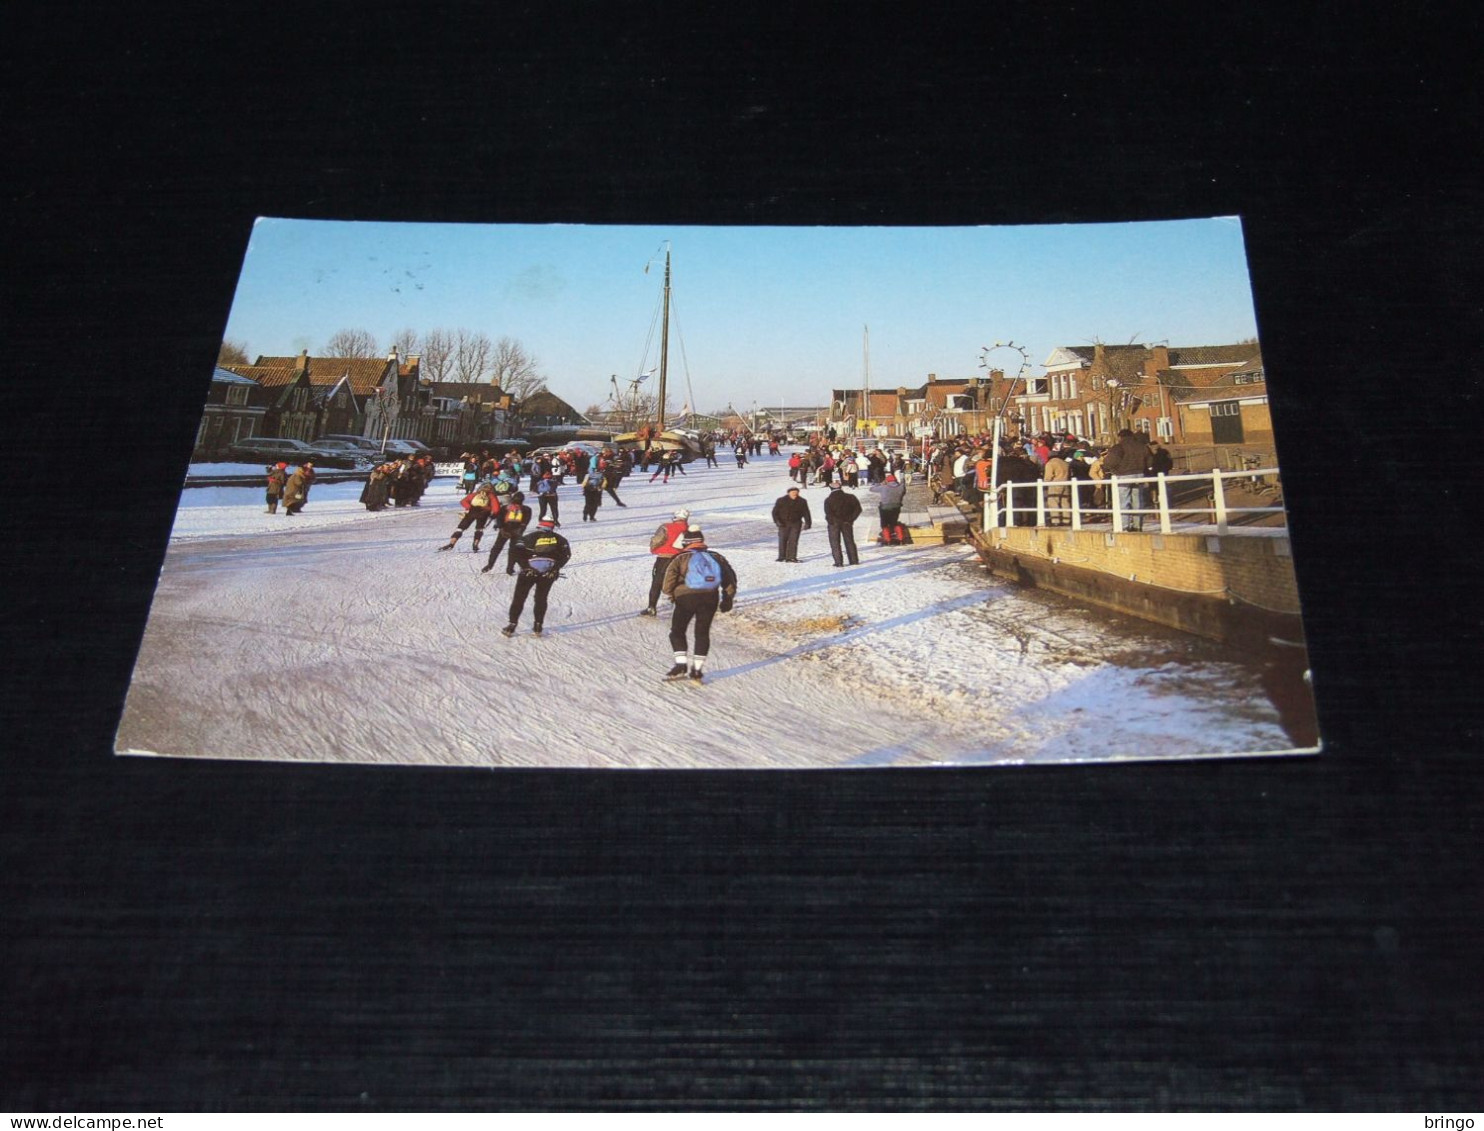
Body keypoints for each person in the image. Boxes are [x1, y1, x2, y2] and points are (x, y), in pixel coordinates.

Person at [660, 525, 738, 683]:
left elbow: (667, 582)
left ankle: (681, 665)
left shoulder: (680, 558)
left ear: (686, 543)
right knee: (702, 633)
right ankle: (697, 670)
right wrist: (727, 598)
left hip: (686, 598)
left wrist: (671, 594)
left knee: (677, 631)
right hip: (710, 598)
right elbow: (730, 578)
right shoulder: (716, 557)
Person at [501, 517, 571, 637]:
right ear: (552, 527)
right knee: (541, 598)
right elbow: (566, 555)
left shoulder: (528, 537)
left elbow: (515, 552)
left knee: (519, 597)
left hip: (528, 572)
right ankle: (538, 626)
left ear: (540, 525)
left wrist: (524, 566)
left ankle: (512, 625)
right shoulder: (560, 539)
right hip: (548, 572)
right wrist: (555, 568)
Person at [1099, 427, 1153, 531]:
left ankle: (1124, 526)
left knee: (1124, 501)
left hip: (1123, 475)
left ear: (1120, 437)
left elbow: (1110, 462)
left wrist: (1109, 468)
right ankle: (1138, 526)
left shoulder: (1119, 447)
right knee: (1138, 501)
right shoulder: (1142, 446)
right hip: (1139, 475)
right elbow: (1150, 460)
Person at [641, 507, 691, 616]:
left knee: (657, 582)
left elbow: (657, 540)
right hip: (681, 560)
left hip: (664, 558)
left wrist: (654, 549)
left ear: (675, 517)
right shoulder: (690, 530)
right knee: (679, 582)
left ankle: (651, 608)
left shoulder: (666, 527)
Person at [481, 491, 532, 575]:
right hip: (517, 531)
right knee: (513, 550)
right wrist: (520, 530)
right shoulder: (527, 509)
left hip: (505, 529)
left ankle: (489, 565)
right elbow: (525, 522)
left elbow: (499, 519)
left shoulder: (505, 507)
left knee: (497, 548)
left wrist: (501, 528)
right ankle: (510, 568)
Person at [438, 480, 497, 552]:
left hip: (472, 512)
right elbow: (496, 508)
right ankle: (475, 545)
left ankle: (451, 543)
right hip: (483, 514)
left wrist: (469, 507)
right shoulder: (491, 496)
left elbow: (463, 501)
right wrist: (490, 511)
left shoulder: (475, 494)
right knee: (479, 529)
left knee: (460, 528)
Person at [823, 480, 862, 567]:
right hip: (847, 523)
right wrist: (850, 519)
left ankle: (838, 562)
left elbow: (828, 513)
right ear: (841, 488)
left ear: (831, 489)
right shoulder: (851, 497)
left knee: (835, 543)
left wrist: (832, 521)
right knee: (849, 541)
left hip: (834, 524)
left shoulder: (828, 500)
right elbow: (858, 509)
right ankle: (854, 560)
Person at [771, 485, 812, 562]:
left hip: (796, 523)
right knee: (783, 540)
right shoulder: (781, 500)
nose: (794, 494)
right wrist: (777, 521)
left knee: (793, 540)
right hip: (783, 523)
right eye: (793, 492)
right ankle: (782, 556)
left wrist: (808, 523)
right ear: (788, 493)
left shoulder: (802, 501)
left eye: (796, 492)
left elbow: (806, 513)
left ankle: (791, 557)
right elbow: (774, 512)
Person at [1043, 448, 1071, 526]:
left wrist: (1044, 484)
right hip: (1065, 483)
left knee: (1053, 501)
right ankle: (1067, 520)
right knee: (1065, 502)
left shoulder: (1050, 463)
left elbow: (1048, 476)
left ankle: (1055, 520)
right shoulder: (1065, 463)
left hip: (1055, 483)